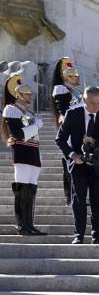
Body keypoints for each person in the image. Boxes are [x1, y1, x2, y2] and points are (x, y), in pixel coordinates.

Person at [55, 86, 99, 244]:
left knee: (97, 201)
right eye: (92, 103)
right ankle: (78, 235)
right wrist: (73, 155)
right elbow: (60, 139)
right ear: (84, 101)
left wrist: (95, 142)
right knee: (78, 201)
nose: (96, 106)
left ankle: (98, 235)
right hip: (78, 165)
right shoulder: (72, 114)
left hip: (98, 165)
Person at [4, 73, 45, 237]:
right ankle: (22, 225)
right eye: (27, 93)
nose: (30, 96)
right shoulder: (12, 109)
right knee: (21, 189)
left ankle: (29, 223)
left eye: (30, 93)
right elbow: (18, 134)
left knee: (31, 190)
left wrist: (35, 126)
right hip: (21, 152)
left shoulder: (29, 112)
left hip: (33, 152)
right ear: (18, 95)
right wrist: (36, 126)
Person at [51, 57, 82, 202]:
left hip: (79, 128)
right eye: (72, 76)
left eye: (76, 76)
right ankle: (69, 195)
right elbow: (63, 110)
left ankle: (78, 193)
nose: (76, 78)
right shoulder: (61, 88)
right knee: (69, 160)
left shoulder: (76, 91)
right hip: (68, 128)